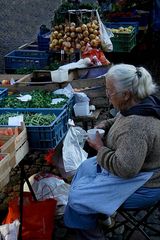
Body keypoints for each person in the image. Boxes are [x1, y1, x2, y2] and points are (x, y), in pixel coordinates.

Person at [64, 63, 160, 239]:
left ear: (126, 94)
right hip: (135, 169)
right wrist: (105, 124)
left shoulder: (137, 126)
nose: (107, 96)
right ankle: (101, 215)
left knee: (78, 199)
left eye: (110, 91)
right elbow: (120, 119)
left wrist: (99, 147)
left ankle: (92, 234)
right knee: (84, 168)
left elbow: (125, 169)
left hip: (145, 185)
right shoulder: (139, 102)